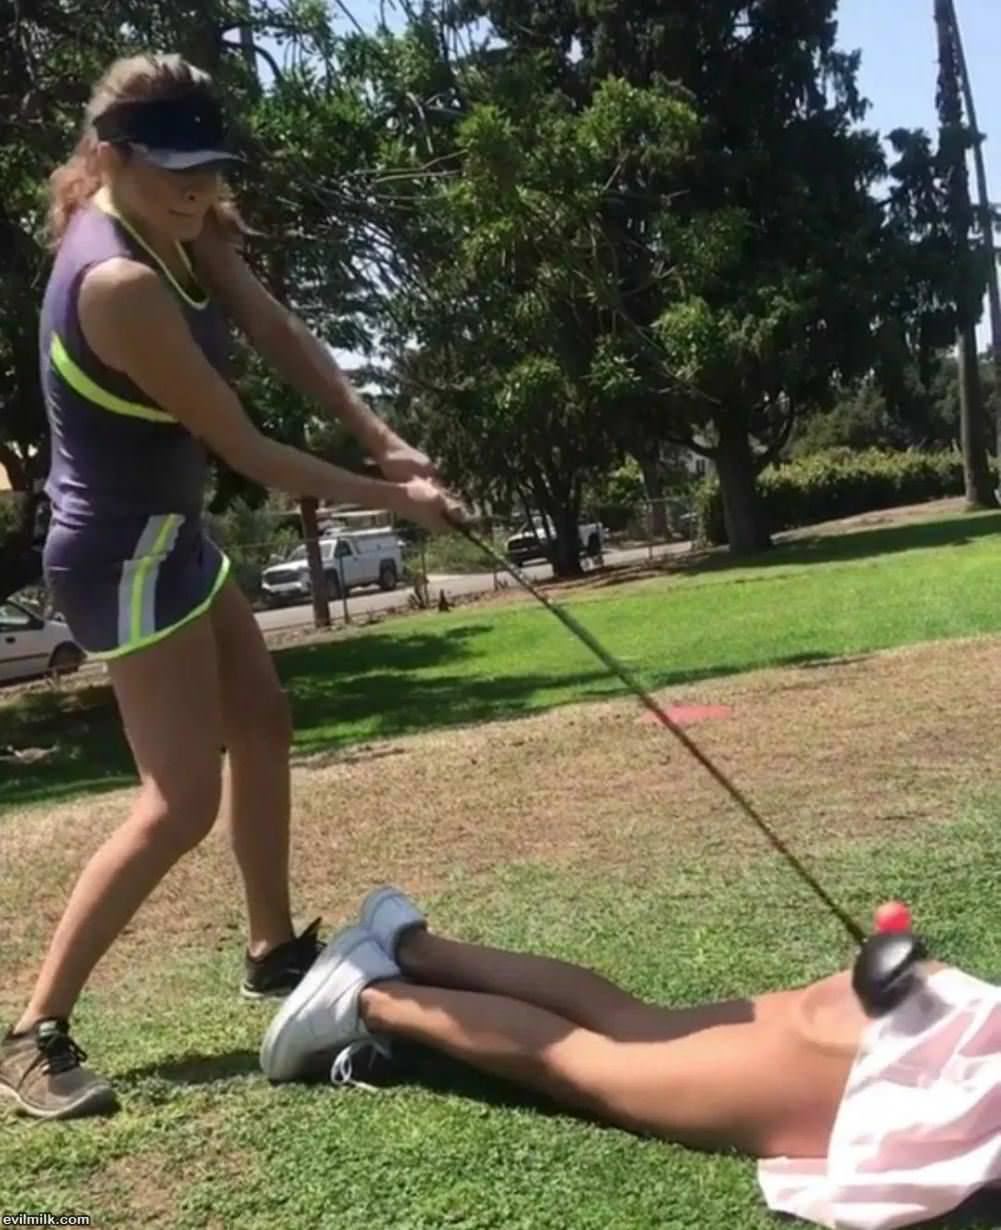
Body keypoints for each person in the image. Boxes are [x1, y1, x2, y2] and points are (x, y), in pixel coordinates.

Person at [0, 53, 463, 1122]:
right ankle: (32, 1032)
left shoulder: (187, 225)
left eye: (210, 167)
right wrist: (397, 502)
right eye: (177, 169)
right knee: (179, 802)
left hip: (173, 536)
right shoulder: (117, 284)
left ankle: (270, 950)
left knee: (261, 720)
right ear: (109, 156)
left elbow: (274, 329)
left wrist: (382, 438)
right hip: (119, 556)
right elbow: (247, 449)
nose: (200, 189)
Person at [261, 888, 1001, 1230]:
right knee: (589, 1065)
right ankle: (372, 996)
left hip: (950, 1013)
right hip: (922, 1074)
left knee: (636, 1025)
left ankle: (409, 946)